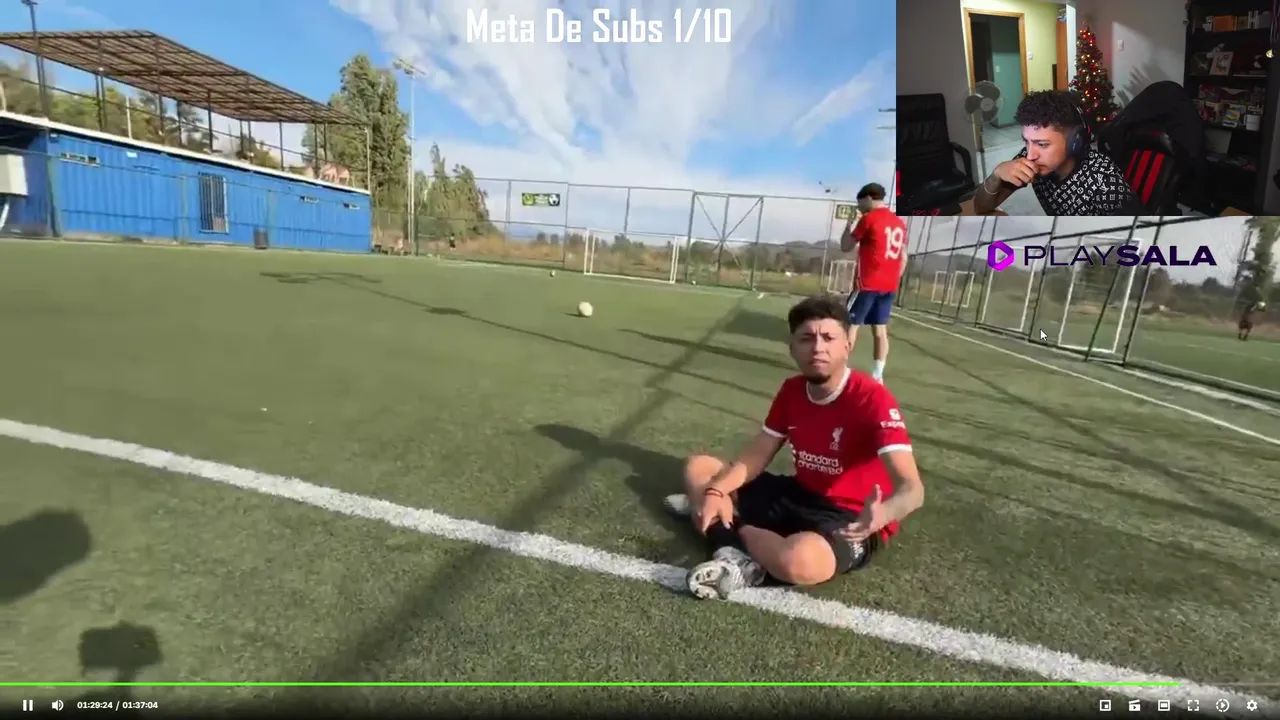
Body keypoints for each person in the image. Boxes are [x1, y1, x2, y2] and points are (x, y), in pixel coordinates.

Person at [662, 295, 924, 600]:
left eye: (828, 338)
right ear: (792, 347)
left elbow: (913, 489)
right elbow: (758, 454)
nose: (818, 347)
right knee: (700, 467)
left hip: (850, 515)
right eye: (806, 338)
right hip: (799, 494)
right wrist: (717, 490)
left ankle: (723, 525)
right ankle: (731, 549)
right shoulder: (792, 390)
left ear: (847, 345)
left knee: (798, 562)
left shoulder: (872, 399)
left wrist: (882, 515)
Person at [971, 90, 1143, 216]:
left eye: (1042, 144)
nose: (1030, 155)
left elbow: (1139, 241)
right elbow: (980, 207)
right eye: (1026, 142)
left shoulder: (1104, 182)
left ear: (1075, 142)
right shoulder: (1033, 161)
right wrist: (996, 175)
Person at [840, 182, 906, 383]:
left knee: (850, 326)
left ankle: (839, 370)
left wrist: (849, 224)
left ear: (868, 198)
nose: (859, 207)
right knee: (880, 330)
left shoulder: (869, 219)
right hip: (889, 286)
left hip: (867, 283)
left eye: (860, 202)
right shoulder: (898, 223)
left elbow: (845, 246)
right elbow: (904, 256)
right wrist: (894, 277)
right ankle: (878, 375)